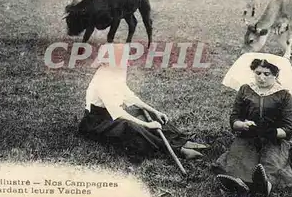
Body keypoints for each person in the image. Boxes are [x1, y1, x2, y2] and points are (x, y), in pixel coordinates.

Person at [78, 43, 207, 161]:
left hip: (111, 116)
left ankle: (181, 140)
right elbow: (116, 112)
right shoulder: (103, 79)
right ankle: (177, 150)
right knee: (131, 127)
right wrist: (147, 125)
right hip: (97, 122)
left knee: (148, 115)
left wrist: (154, 111)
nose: (123, 65)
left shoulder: (116, 73)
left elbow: (129, 96)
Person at [212, 58, 292, 197]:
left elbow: (289, 128)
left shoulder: (283, 95)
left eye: (267, 74)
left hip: (275, 139)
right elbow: (234, 118)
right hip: (249, 135)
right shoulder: (246, 90)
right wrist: (242, 125)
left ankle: (265, 185)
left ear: (276, 75)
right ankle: (238, 183)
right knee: (238, 160)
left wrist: (271, 132)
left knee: (271, 163)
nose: (261, 77)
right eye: (258, 73)